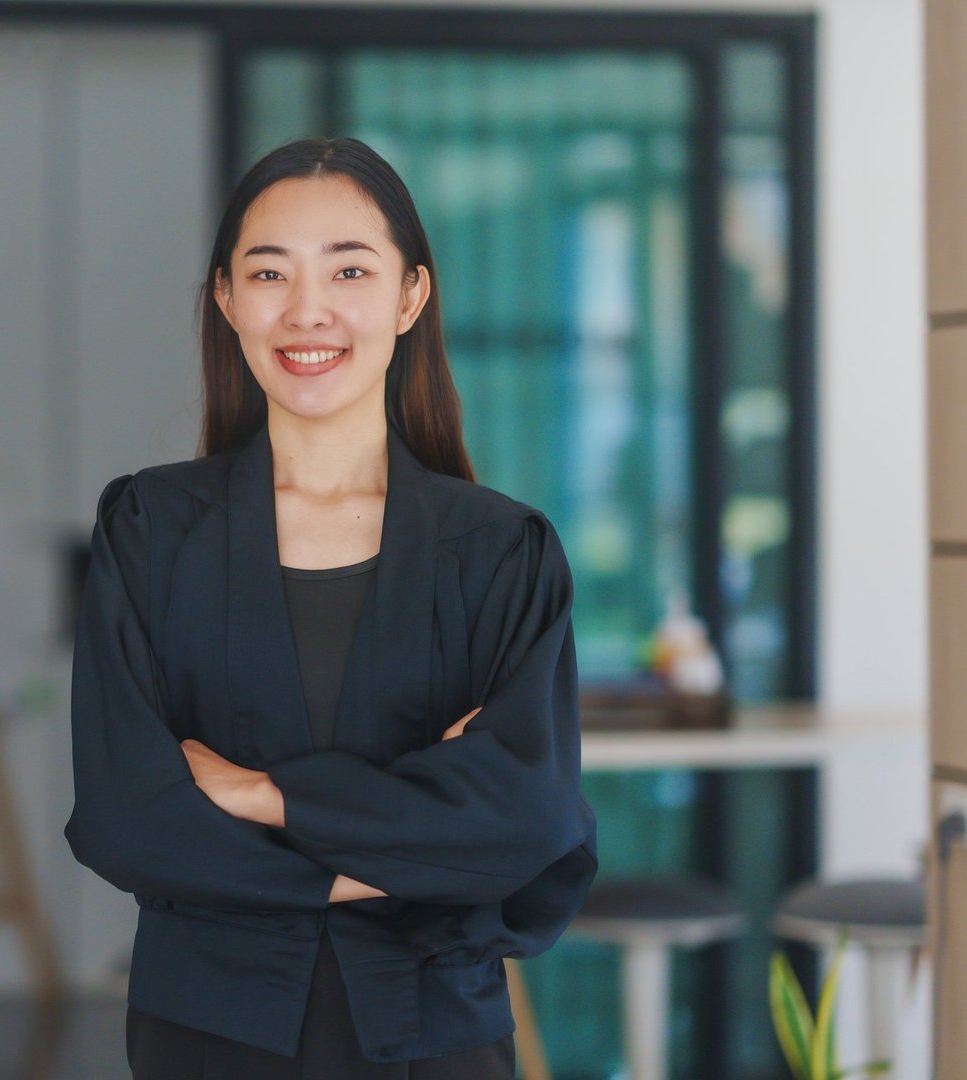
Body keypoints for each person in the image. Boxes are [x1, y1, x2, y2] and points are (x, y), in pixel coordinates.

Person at [64, 136, 598, 1079]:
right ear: (227, 300)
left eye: (349, 269)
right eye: (269, 273)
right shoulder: (148, 531)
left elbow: (528, 824)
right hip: (207, 1037)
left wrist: (264, 797)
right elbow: (126, 818)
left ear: (410, 297)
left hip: (436, 1034)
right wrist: (412, 846)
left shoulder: (502, 553)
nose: (307, 310)